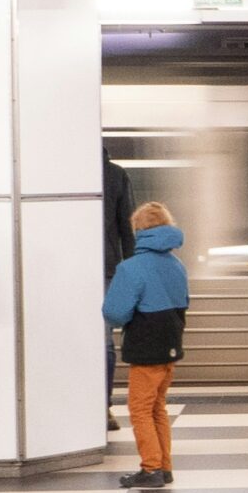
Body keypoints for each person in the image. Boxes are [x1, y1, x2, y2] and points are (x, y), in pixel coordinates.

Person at [104, 201, 189, 488]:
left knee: (140, 409)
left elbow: (114, 312)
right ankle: (164, 466)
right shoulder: (177, 265)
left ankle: (150, 468)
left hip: (146, 345)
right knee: (158, 407)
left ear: (139, 230)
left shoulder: (131, 268)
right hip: (171, 344)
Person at [102, 155, 135, 432]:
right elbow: (128, 227)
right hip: (107, 267)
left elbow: (127, 227)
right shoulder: (115, 174)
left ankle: (101, 404)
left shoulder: (115, 175)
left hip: (102, 269)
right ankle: (103, 406)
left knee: (103, 343)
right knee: (105, 343)